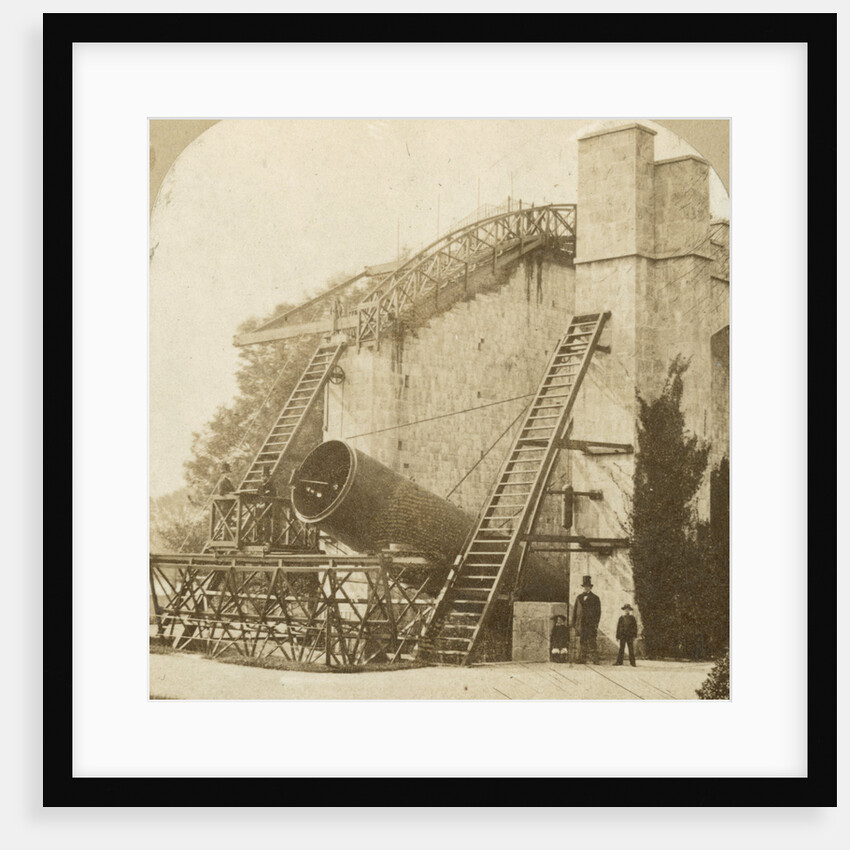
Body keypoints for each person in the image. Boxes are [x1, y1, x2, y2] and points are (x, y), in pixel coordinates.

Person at [573, 575, 601, 663]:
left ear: (590, 587)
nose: (586, 588)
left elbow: (598, 612)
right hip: (581, 624)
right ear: (583, 587)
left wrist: (595, 623)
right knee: (582, 641)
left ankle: (595, 659)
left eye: (588, 587)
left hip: (590, 624)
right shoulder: (579, 598)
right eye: (585, 587)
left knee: (592, 641)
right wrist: (574, 624)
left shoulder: (595, 598)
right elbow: (575, 611)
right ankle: (582, 659)